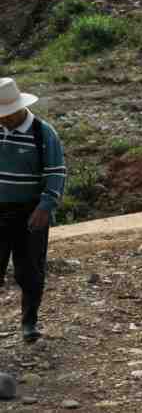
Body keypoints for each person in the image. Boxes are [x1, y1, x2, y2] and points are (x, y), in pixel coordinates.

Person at [0, 77, 66, 343]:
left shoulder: (43, 133)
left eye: (6, 115)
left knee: (30, 271)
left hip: (31, 212)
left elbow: (56, 172)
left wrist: (46, 206)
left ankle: (29, 323)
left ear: (19, 108)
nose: (3, 120)